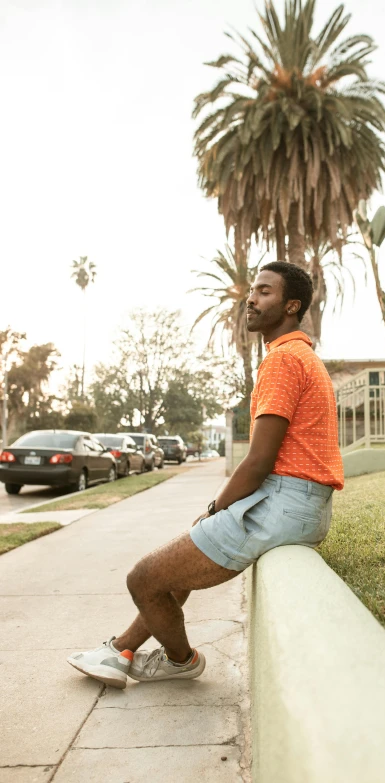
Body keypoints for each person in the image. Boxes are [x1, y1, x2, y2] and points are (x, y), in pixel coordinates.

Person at [67, 261, 344, 689]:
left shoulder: (284, 360)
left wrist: (216, 507)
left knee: (143, 578)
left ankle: (181, 659)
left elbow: (257, 461)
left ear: (292, 306)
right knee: (174, 573)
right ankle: (120, 649)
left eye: (265, 292)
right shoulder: (301, 355)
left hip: (282, 503)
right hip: (303, 505)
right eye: (252, 290)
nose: (251, 299)